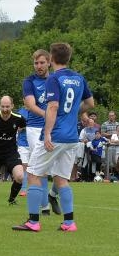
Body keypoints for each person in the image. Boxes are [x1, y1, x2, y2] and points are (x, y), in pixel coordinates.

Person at [13, 42, 94, 232]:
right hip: (72, 137)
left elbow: (53, 106)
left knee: (33, 174)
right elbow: (90, 103)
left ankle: (33, 221)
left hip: (55, 135)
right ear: (69, 58)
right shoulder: (79, 78)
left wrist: (47, 132)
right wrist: (75, 111)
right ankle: (69, 222)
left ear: (51, 58)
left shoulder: (54, 79)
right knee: (61, 179)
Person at [22, 49, 61, 215]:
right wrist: (48, 115)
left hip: (55, 127)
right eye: (36, 63)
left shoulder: (57, 79)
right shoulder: (29, 81)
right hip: (35, 127)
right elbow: (31, 104)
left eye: (42, 62)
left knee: (60, 167)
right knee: (40, 168)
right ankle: (45, 207)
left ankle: (52, 195)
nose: (39, 66)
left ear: (49, 62)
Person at [16, 105, 30, 196]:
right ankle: (23, 189)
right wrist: (27, 126)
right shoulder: (20, 112)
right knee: (23, 165)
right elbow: (18, 128)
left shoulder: (37, 110)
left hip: (35, 142)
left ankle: (34, 188)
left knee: (34, 167)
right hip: (23, 143)